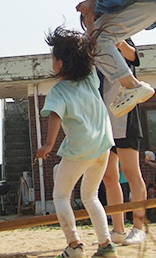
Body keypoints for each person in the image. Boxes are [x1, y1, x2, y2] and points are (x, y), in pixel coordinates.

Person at [36, 26, 117, 258]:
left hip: (80, 149)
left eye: (53, 57)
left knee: (61, 196)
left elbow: (55, 116)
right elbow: (89, 43)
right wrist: (90, 21)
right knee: (91, 196)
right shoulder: (90, 78)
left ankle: (74, 245)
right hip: (103, 146)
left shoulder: (58, 91)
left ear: (60, 63)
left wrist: (48, 146)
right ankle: (106, 245)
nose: (52, 61)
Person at [92, 35, 148, 245]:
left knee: (132, 173)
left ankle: (139, 227)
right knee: (108, 177)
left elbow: (133, 56)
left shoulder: (120, 35)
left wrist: (120, 43)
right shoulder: (93, 47)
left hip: (126, 116)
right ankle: (118, 229)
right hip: (104, 119)